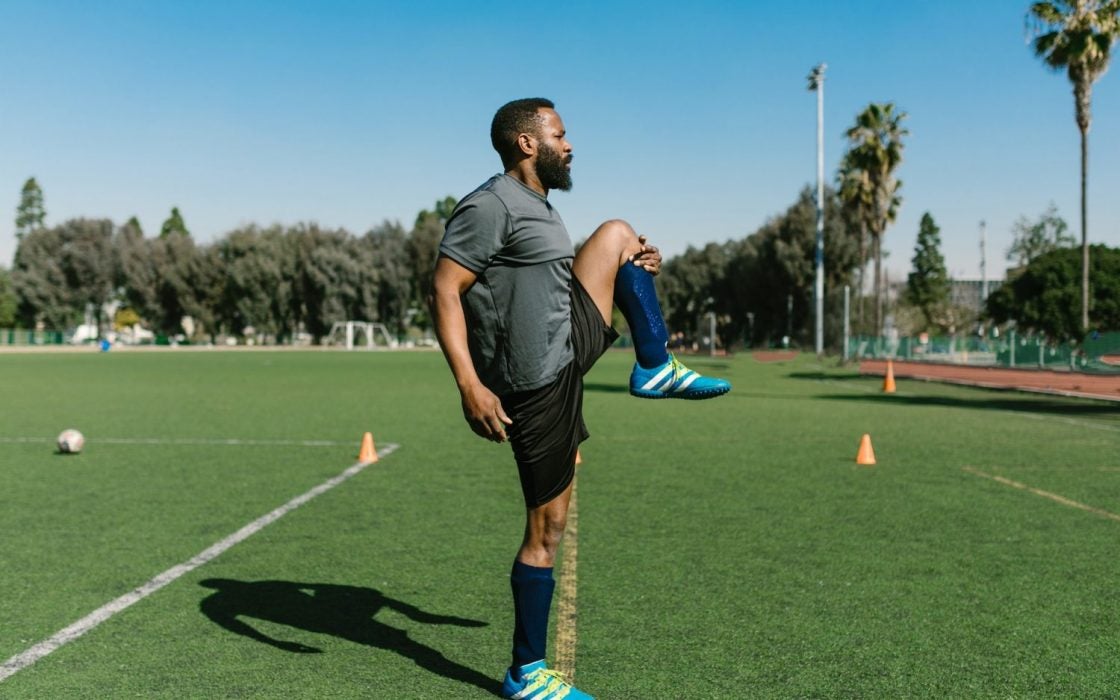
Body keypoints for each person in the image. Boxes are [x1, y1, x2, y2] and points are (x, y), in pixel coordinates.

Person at [430, 97, 730, 700]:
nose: (569, 146)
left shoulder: (540, 206)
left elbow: (558, 279)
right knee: (548, 528)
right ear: (527, 143)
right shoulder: (490, 205)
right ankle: (526, 673)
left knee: (619, 235)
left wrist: (634, 269)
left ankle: (654, 366)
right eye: (560, 135)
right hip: (534, 381)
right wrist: (469, 385)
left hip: (566, 342)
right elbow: (444, 288)